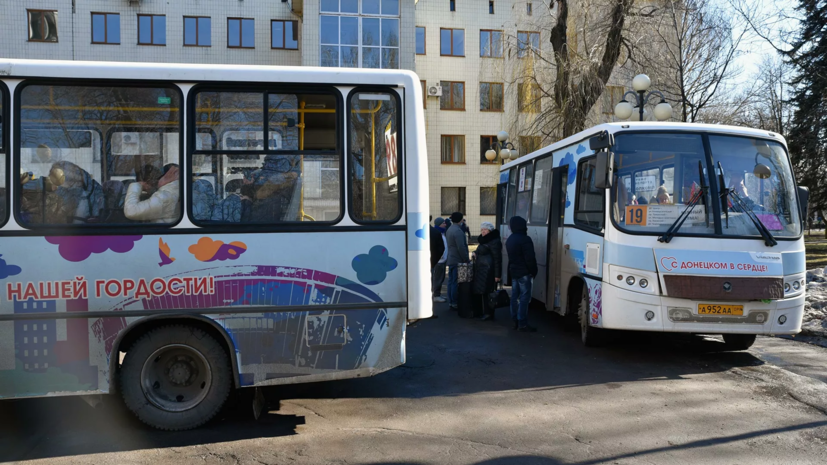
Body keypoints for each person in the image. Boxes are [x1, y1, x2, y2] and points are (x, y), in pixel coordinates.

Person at [506, 216, 538, 332]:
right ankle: (522, 323)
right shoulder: (525, 239)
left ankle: (514, 320)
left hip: (514, 271)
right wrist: (533, 271)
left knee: (514, 296)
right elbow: (530, 258)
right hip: (524, 272)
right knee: (524, 297)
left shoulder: (510, 239)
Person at [472, 222, 502, 321]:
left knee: (488, 292)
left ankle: (489, 313)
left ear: (490, 230)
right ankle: (484, 311)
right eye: (482, 230)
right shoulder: (483, 240)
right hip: (481, 269)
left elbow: (497, 258)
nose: (483, 231)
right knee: (482, 292)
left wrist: (497, 275)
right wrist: (475, 253)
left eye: (485, 229)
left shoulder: (494, 241)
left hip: (489, 270)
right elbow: (479, 250)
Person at [445, 211, 470, 310]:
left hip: (451, 257)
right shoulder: (458, 231)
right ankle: (454, 301)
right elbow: (461, 247)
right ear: (460, 219)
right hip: (457, 259)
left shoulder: (450, 229)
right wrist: (465, 258)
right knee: (455, 281)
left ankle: (451, 301)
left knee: (451, 281)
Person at [430, 217, 448, 303]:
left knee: (440, 278)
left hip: (442, 260)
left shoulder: (442, 233)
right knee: (437, 278)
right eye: (443, 223)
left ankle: (437, 294)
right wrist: (439, 257)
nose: (445, 224)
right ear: (439, 224)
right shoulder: (436, 233)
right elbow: (437, 248)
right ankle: (436, 295)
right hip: (439, 261)